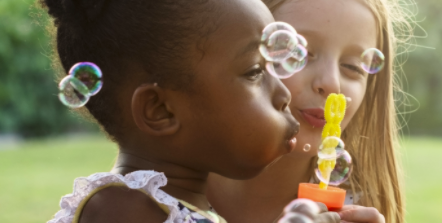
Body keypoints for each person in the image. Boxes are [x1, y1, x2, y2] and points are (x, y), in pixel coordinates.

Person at [39, 0, 310, 222]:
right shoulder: (123, 210)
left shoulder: (167, 207)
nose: (284, 94)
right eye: (254, 72)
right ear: (161, 110)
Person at [207, 0, 413, 222]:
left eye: (352, 66)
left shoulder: (355, 212)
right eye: (299, 54)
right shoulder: (169, 188)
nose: (332, 84)